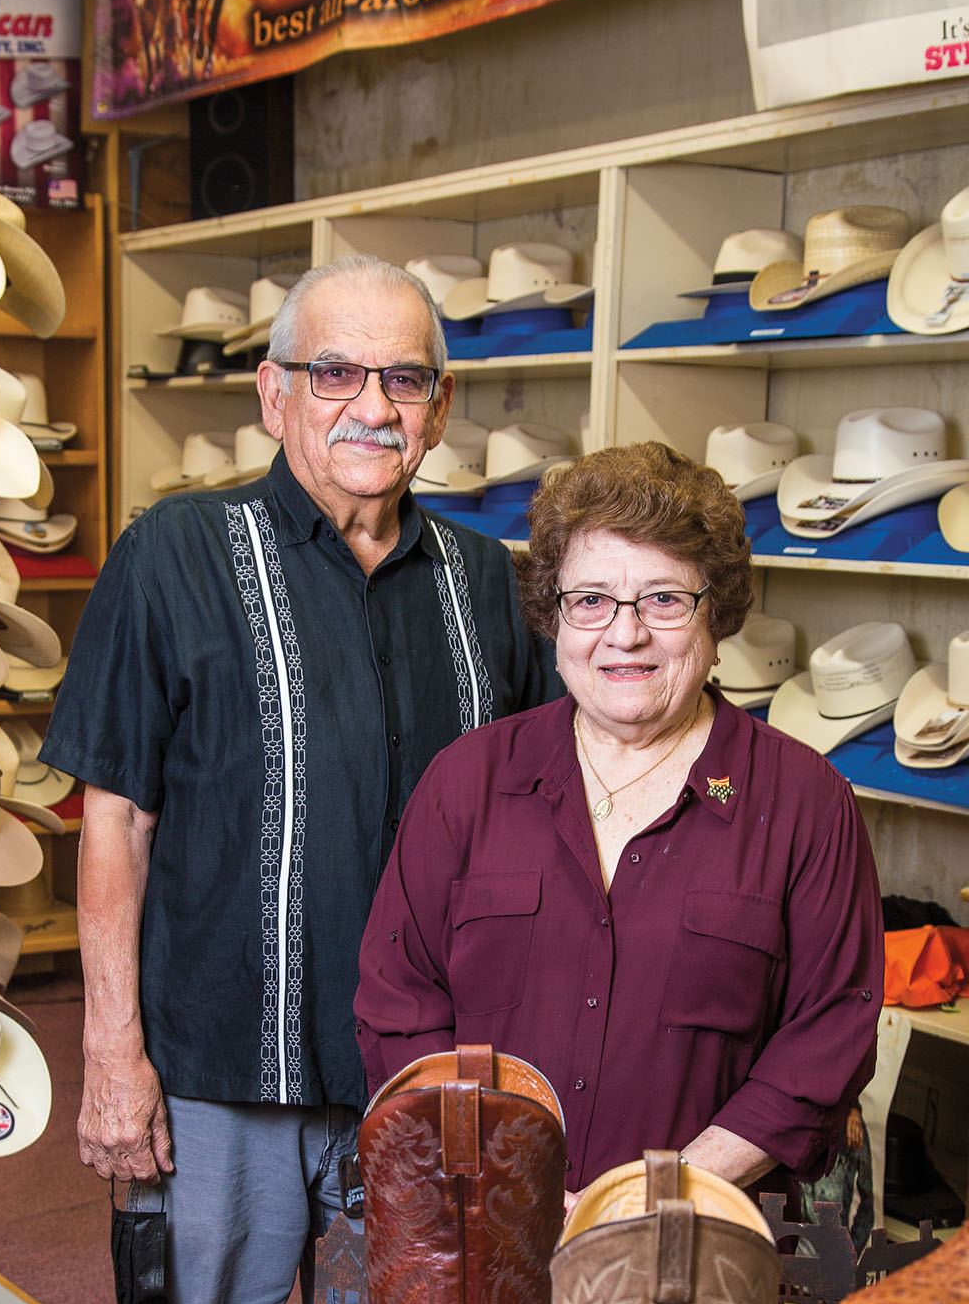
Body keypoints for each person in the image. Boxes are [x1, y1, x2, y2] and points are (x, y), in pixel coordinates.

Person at [40, 254, 560, 1304]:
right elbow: (114, 816)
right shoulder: (173, 555)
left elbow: (542, 812)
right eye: (335, 373)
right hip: (227, 1077)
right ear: (275, 396)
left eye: (405, 379)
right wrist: (115, 1059)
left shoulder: (488, 583)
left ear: (442, 410)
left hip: (423, 1086)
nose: (372, 407)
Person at [355, 441, 885, 1204]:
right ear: (554, 615)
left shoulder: (806, 804)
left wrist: (655, 1196)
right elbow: (398, 1002)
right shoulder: (466, 784)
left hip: (697, 1249)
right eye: (591, 599)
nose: (625, 633)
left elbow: (827, 1037)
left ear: (716, 613)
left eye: (664, 600)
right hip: (483, 1230)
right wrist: (503, 1185)